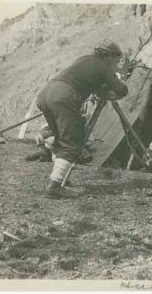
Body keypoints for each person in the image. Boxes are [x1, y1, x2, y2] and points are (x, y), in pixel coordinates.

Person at [36, 39, 128, 198]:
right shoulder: (104, 66)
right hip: (64, 96)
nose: (115, 64)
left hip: (46, 94)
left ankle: (61, 178)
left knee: (61, 138)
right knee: (72, 144)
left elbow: (88, 81)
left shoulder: (84, 60)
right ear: (109, 56)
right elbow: (121, 89)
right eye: (116, 60)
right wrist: (118, 84)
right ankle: (54, 186)